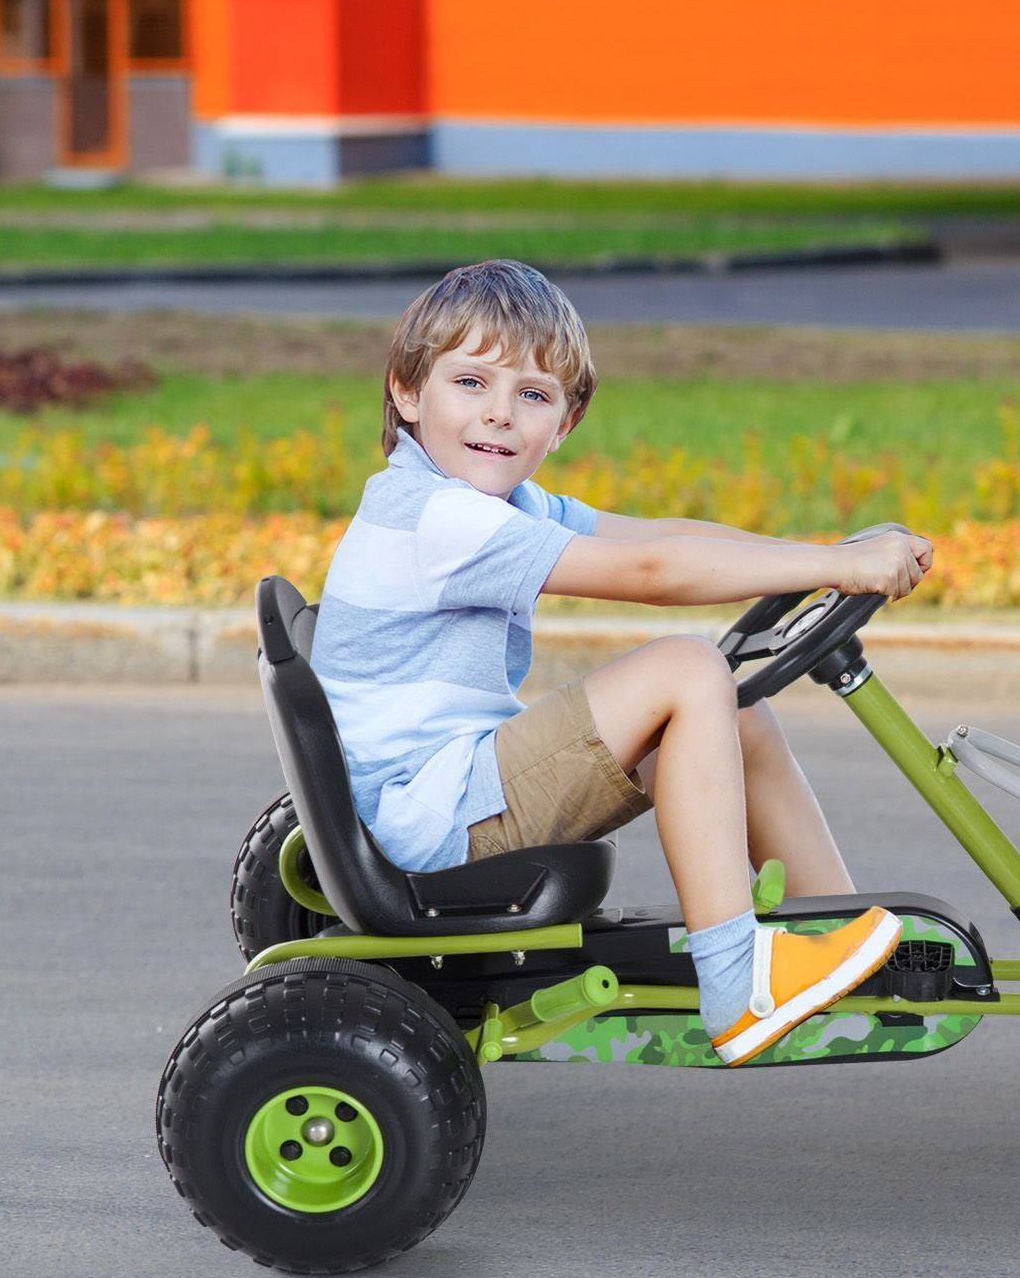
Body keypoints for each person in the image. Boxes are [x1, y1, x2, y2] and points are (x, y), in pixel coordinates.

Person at [311, 260, 933, 1067]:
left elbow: (654, 537)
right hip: (436, 818)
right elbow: (654, 576)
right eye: (471, 382)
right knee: (687, 671)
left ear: (563, 424)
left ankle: (828, 933)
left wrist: (818, 558)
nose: (499, 416)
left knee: (732, 708)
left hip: (442, 791)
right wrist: (844, 569)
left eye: (532, 396)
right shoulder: (440, 519)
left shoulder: (491, 500)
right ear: (406, 392)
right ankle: (740, 983)